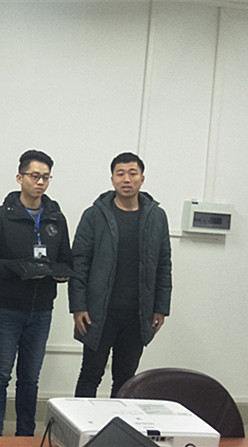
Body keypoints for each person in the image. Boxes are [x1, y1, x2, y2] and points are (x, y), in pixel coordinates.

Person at [0, 150, 72, 437]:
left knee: (30, 378)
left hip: (41, 310)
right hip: (7, 309)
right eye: (34, 176)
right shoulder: (0, 217)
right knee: (0, 374)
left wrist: (60, 273)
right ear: (20, 178)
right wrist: (20, 269)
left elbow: (67, 260)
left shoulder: (56, 218)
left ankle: (25, 436)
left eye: (46, 177)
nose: (40, 182)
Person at [69, 152, 172, 398]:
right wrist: (78, 306)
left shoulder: (156, 216)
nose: (127, 179)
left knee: (126, 378)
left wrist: (161, 307)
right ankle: (81, 423)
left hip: (138, 314)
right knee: (90, 374)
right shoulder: (94, 215)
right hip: (99, 312)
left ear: (142, 178)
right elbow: (79, 263)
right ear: (112, 179)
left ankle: (118, 423)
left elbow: (163, 264)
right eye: (120, 174)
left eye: (132, 173)